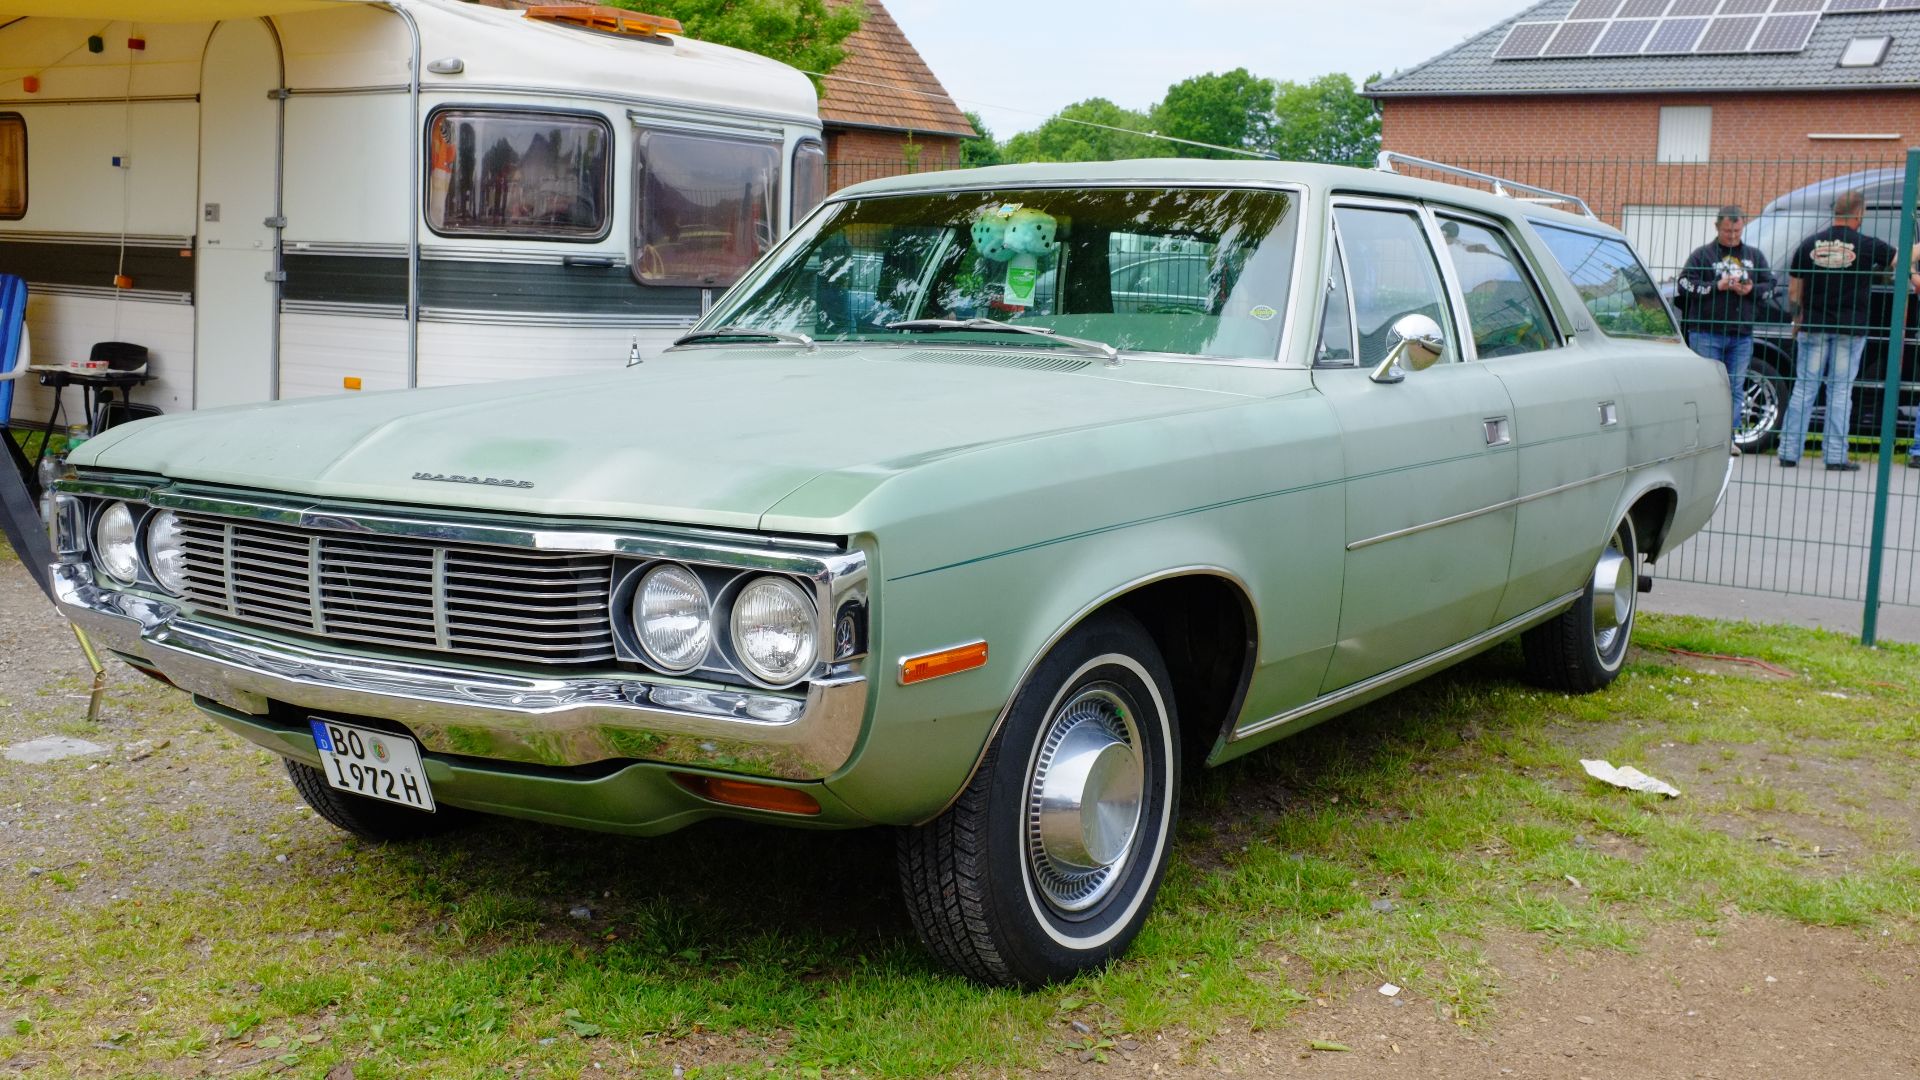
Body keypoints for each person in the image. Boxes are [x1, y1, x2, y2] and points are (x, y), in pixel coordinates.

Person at [1781, 189, 1897, 472]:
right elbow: (1899, 259)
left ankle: (1788, 452)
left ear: (1836, 212)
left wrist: (1797, 319)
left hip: (1814, 326)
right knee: (1840, 391)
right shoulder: (1866, 245)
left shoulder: (1809, 243)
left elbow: (1794, 290)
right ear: (1859, 213)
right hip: (1850, 328)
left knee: (1804, 387)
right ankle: (1834, 457)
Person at [1677, 205, 1771, 453]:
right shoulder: (1702, 255)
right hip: (1706, 332)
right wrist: (1716, 286)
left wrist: (1751, 290)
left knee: (1735, 387)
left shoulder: (1754, 256)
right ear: (1717, 227)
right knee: (1707, 387)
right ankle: (1702, 439)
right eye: (1727, 231)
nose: (1732, 236)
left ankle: (1726, 439)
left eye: (1737, 231)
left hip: (1741, 334)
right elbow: (1684, 284)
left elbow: (1770, 286)